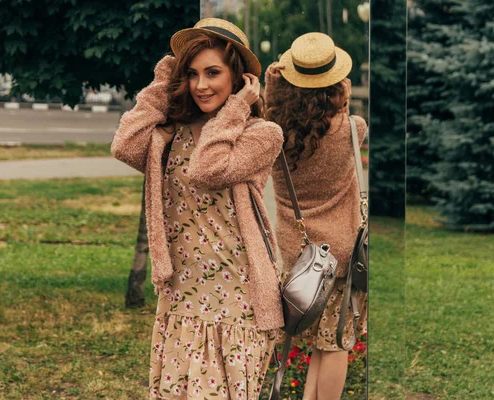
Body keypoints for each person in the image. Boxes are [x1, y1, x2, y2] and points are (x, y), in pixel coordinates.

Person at [111, 18, 285, 400]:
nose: (201, 85)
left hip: (237, 297)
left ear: (238, 78)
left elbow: (209, 169)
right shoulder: (171, 133)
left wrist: (237, 108)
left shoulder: (260, 134)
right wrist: (165, 78)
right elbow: (124, 144)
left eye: (213, 73)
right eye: (192, 74)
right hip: (181, 292)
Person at [264, 33, 368, 400]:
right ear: (337, 84)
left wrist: (271, 82)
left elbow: (265, 105)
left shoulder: (273, 133)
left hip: (297, 256)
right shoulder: (352, 129)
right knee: (335, 343)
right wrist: (344, 91)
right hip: (339, 257)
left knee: (310, 343)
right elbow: (346, 110)